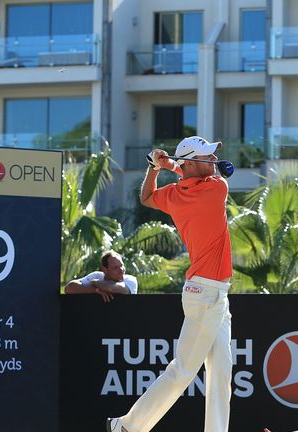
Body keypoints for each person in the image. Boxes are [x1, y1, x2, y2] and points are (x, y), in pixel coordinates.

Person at [106, 136, 233, 432]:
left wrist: (155, 168)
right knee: (183, 371)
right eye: (208, 157)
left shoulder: (175, 195)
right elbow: (184, 173)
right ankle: (127, 426)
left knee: (221, 372)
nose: (214, 161)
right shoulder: (217, 188)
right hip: (205, 293)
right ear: (192, 163)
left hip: (213, 294)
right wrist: (168, 165)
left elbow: (147, 197)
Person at [64, 250, 137, 302]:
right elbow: (69, 288)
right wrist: (96, 291)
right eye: (115, 267)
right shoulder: (96, 275)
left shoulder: (131, 280)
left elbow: (112, 289)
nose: (121, 269)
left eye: (122, 265)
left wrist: (95, 283)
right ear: (105, 270)